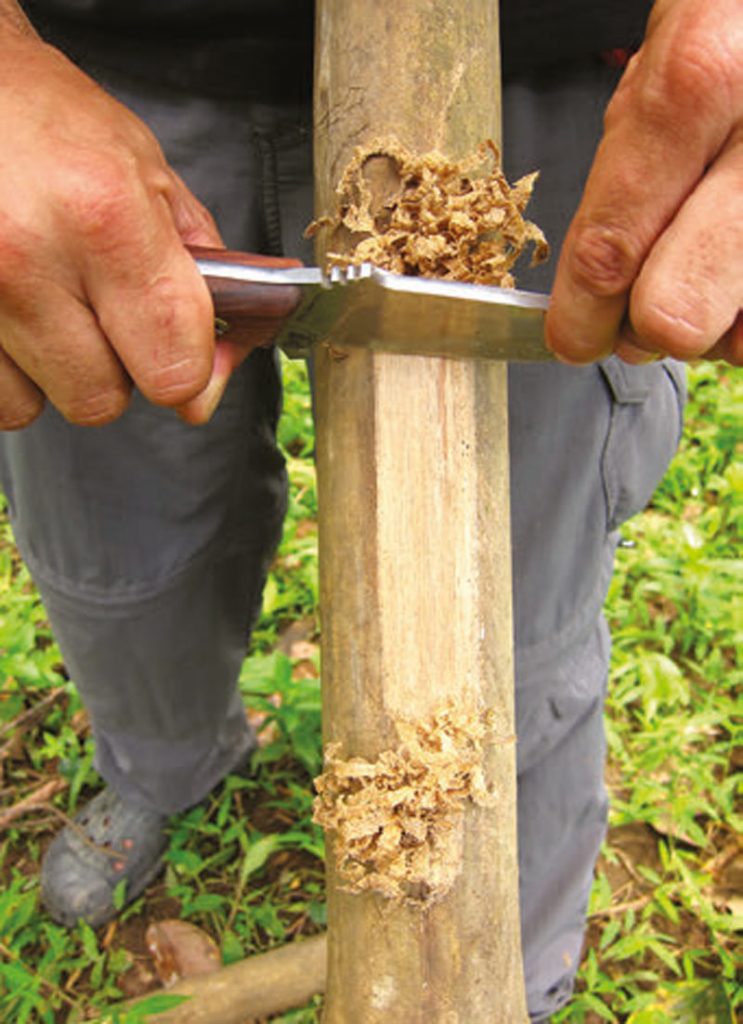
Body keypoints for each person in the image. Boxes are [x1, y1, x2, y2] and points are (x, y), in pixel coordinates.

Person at [0, 0, 739, 1019]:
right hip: (77, 104)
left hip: (561, 75)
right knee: (124, 570)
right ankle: (165, 766)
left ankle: (513, 971)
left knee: (517, 636)